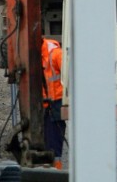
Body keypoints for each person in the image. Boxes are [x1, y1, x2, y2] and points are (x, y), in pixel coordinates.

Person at [42, 37, 65, 169]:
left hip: (57, 101)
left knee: (54, 136)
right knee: (48, 135)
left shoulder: (55, 54)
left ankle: (56, 167)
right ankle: (51, 165)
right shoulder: (40, 55)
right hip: (46, 103)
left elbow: (68, 75)